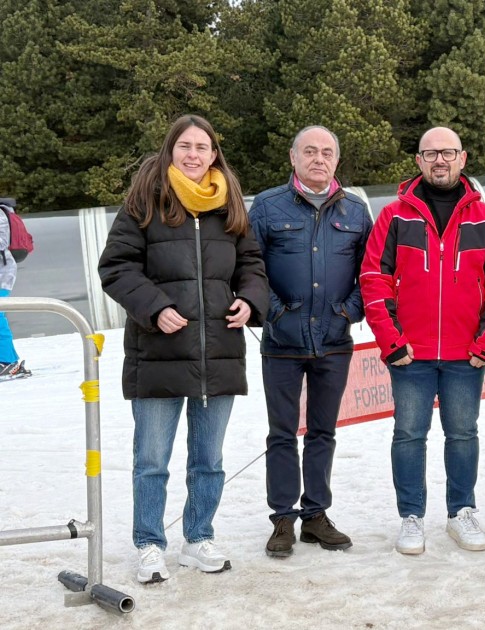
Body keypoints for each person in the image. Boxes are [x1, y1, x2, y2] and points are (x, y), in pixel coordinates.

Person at [98, 114, 269, 584]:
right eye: (185, 146)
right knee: (152, 461)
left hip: (218, 351)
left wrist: (250, 301)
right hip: (159, 353)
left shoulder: (229, 205)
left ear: (215, 154)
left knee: (208, 459)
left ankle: (198, 538)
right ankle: (150, 544)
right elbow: (115, 266)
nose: (194, 154)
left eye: (203, 147)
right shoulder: (143, 203)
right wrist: (154, 307)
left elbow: (252, 264)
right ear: (169, 150)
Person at [360, 127, 485, 555]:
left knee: (463, 433)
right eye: (430, 154)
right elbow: (374, 280)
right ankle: (411, 516)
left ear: (462, 159)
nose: (439, 161)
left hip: (467, 355)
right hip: (411, 354)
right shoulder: (394, 217)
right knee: (409, 433)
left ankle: (460, 511)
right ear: (419, 161)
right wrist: (391, 339)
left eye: (447, 153)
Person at [250, 126, 372, 558]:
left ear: (336, 161)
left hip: (335, 341)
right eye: (310, 151)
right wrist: (277, 311)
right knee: (282, 433)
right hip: (282, 340)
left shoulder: (356, 211)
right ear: (293, 157)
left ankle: (315, 515)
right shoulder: (266, 207)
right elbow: (250, 269)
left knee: (322, 431)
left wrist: (348, 311)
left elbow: (370, 271)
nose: (318, 159)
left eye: (327, 152)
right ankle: (282, 517)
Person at [0, 198, 31, 378]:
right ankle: (8, 360)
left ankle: (8, 362)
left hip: (2, 274)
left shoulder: (2, 214)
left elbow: (2, 243)